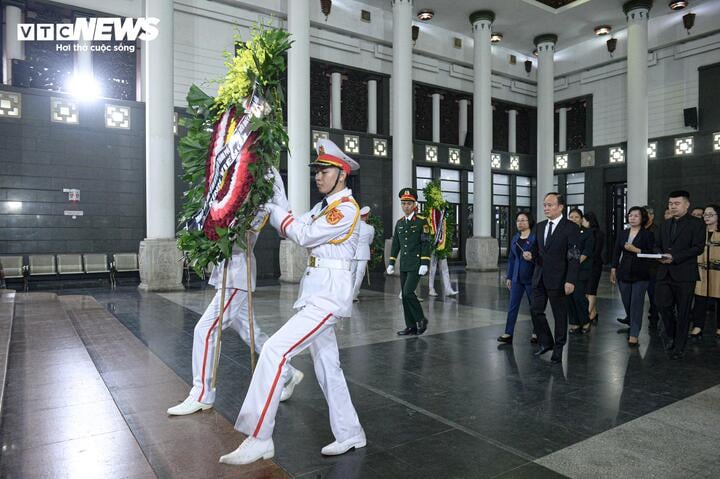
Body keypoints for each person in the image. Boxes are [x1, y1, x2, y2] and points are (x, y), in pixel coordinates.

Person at [220, 139, 365, 465]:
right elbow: (295, 225)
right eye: (316, 171)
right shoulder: (324, 207)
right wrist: (274, 192)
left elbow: (303, 235)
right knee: (329, 368)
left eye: (324, 170)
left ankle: (259, 436)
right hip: (316, 294)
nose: (318, 176)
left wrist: (274, 208)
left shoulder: (345, 209)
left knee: (273, 350)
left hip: (327, 300)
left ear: (342, 174)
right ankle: (350, 432)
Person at [167, 216, 303, 416]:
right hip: (230, 275)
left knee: (205, 331)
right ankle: (287, 373)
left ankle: (201, 394)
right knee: (251, 333)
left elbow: (239, 236)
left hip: (236, 277)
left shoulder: (254, 205)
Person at [525, 192, 580, 364]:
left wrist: (570, 280)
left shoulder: (570, 227)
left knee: (559, 316)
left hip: (560, 279)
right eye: (545, 205)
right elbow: (537, 250)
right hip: (539, 277)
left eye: (550, 205)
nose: (546, 208)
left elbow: (574, 256)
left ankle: (558, 348)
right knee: (535, 310)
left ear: (561, 207)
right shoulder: (540, 226)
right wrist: (530, 254)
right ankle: (547, 341)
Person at [655, 190, 705, 360]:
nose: (673, 207)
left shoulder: (697, 224)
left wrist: (674, 257)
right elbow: (657, 245)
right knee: (662, 305)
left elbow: (698, 248)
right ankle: (672, 333)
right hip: (664, 273)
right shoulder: (664, 224)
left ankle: (679, 346)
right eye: (670, 204)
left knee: (683, 311)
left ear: (686, 204)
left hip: (685, 274)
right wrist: (659, 255)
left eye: (676, 204)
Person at [387, 188, 431, 336]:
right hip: (404, 264)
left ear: (414, 204)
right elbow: (396, 244)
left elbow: (426, 243)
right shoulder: (399, 223)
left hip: (417, 264)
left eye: (408, 203)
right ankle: (411, 326)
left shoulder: (421, 221)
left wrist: (425, 263)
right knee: (405, 297)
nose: (405, 206)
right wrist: (392, 262)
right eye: (403, 203)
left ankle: (421, 318)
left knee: (407, 292)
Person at [610, 207, 655, 346]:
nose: (633, 218)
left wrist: (636, 250)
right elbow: (616, 251)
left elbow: (652, 252)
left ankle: (634, 333)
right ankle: (631, 321)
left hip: (641, 273)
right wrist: (613, 268)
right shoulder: (623, 233)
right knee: (627, 301)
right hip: (624, 271)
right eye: (630, 215)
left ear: (642, 218)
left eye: (636, 216)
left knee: (637, 303)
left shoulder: (647, 234)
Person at [497, 211, 537, 344]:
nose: (520, 223)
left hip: (531, 278)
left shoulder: (535, 238)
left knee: (535, 307)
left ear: (529, 222)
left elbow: (540, 258)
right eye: (518, 220)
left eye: (523, 220)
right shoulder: (515, 238)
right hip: (516, 278)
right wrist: (509, 276)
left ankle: (537, 332)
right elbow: (512, 259)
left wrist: (532, 257)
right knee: (512, 306)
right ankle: (508, 333)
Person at [689, 204, 720, 339]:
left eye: (710, 214)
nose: (706, 217)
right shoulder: (699, 232)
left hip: (718, 272)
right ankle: (698, 326)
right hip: (701, 270)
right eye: (705, 215)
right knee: (700, 299)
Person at [567, 208, 594, 335]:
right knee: (569, 297)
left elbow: (586, 252)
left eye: (576, 217)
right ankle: (575, 322)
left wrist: (574, 265)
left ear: (581, 219)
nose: (573, 219)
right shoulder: (565, 232)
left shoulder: (587, 233)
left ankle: (585, 321)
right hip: (567, 271)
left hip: (581, 270)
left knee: (578, 297)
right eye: (571, 217)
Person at [583, 211, 604, 325]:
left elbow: (592, 251)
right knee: (590, 290)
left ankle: (586, 317)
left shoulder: (590, 233)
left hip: (592, 265)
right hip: (596, 264)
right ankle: (593, 314)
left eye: (583, 220)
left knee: (590, 291)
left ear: (589, 221)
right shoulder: (600, 233)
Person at [351, 206, 375, 302]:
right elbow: (370, 241)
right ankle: (354, 295)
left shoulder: (353, 227)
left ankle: (349, 294)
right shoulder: (370, 228)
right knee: (360, 274)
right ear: (367, 216)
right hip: (363, 253)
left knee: (351, 274)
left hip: (353, 252)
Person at [643, 206, 661, 330]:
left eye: (645, 215)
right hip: (639, 267)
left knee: (653, 293)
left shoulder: (656, 230)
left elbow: (656, 248)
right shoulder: (638, 229)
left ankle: (654, 316)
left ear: (652, 216)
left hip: (652, 267)